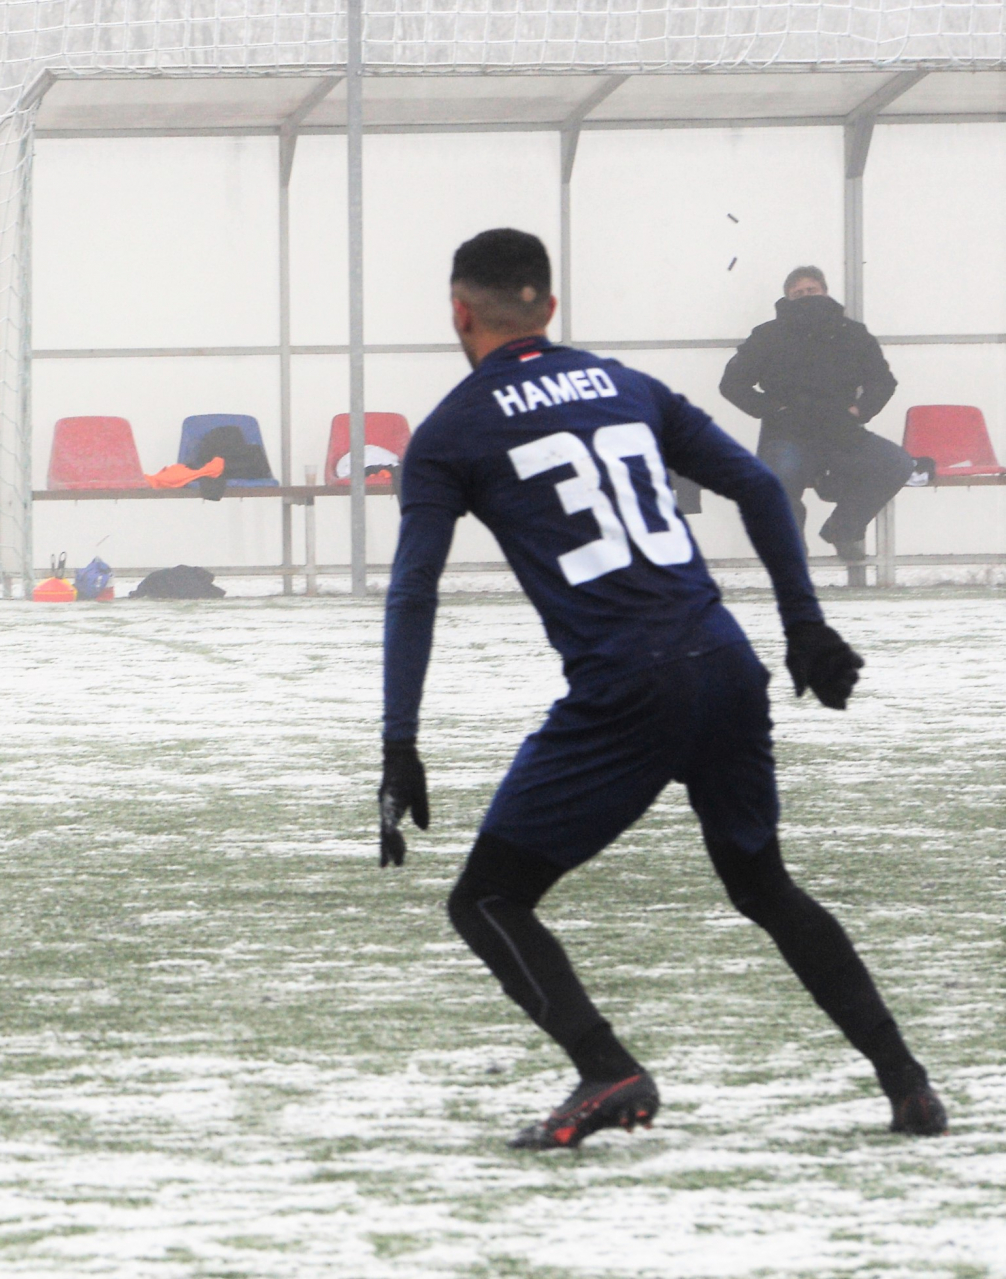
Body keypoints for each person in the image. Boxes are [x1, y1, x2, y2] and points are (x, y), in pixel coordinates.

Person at [376, 229, 945, 1149]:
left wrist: (400, 740)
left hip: (625, 687)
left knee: (485, 899)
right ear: (548, 307)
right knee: (765, 885)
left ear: (459, 313)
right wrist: (803, 625)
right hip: (724, 664)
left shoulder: (449, 432)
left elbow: (414, 590)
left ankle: (607, 1068)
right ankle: (908, 1082)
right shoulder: (626, 386)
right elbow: (759, 487)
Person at [719, 266, 912, 562]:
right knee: (777, 480)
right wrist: (773, 409)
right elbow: (732, 384)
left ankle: (843, 530)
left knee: (896, 463)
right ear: (787, 298)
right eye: (797, 293)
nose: (805, 297)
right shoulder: (767, 335)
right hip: (787, 433)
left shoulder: (853, 334)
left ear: (825, 291)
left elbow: (882, 381)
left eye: (811, 291)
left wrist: (860, 410)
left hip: (842, 431)